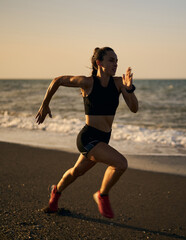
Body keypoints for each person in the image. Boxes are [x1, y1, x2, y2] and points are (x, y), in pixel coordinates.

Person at [35, 47, 138, 218]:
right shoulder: (88, 82)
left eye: (116, 60)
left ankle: (56, 192)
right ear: (99, 63)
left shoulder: (119, 83)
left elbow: (134, 109)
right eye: (111, 60)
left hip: (103, 139)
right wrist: (45, 104)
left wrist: (129, 89)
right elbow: (58, 80)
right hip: (88, 138)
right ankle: (102, 195)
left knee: (76, 172)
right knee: (121, 163)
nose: (115, 64)